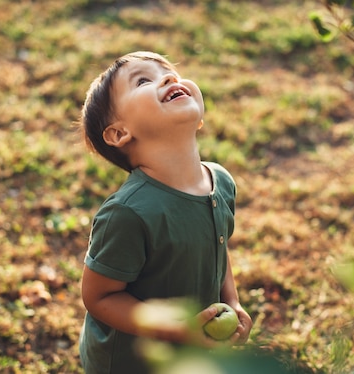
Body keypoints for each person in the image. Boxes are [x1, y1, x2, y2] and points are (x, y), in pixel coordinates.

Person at [78, 51, 252, 374]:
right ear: (119, 133)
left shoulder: (221, 183)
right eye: (144, 80)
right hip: (133, 362)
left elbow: (217, 245)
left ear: (198, 117)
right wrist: (173, 329)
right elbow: (99, 297)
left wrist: (232, 300)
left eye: (170, 72)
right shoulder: (128, 214)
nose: (171, 78)